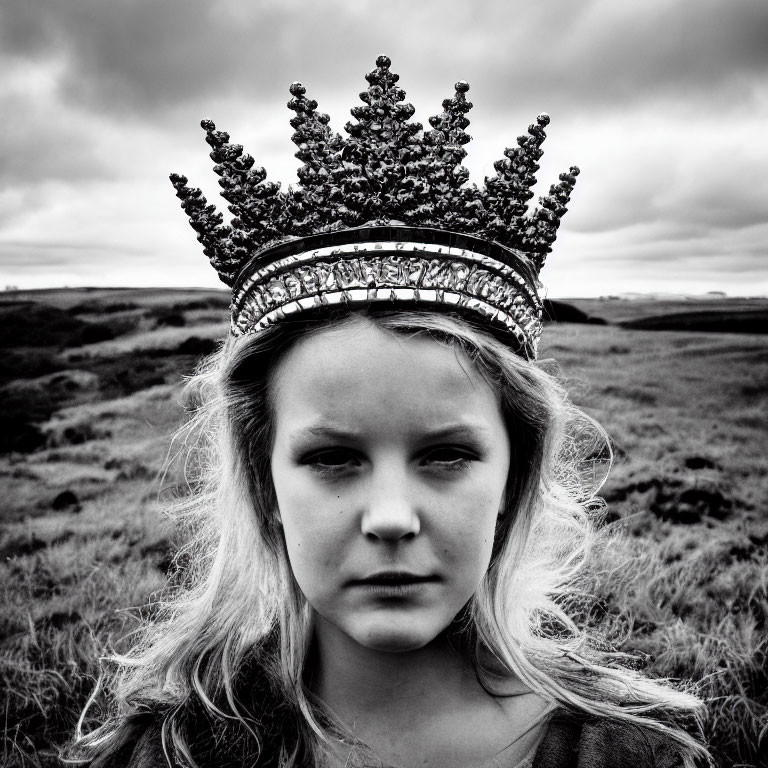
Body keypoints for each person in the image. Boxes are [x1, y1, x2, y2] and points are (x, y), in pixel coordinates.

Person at [67, 57, 709, 768]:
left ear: (513, 477)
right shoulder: (171, 754)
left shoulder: (634, 753)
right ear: (265, 482)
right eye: (333, 458)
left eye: (446, 455)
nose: (392, 517)